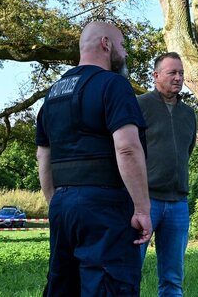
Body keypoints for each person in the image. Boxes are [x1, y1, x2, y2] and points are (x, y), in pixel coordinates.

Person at [36, 21, 152, 296]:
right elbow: (127, 148)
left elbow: (43, 155)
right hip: (105, 207)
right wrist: (142, 210)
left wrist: (56, 205)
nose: (125, 53)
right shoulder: (114, 85)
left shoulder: (53, 94)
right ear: (105, 44)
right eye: (122, 45)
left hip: (63, 205)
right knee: (110, 286)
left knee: (63, 286)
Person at [137, 52, 197, 297]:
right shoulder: (139, 105)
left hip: (178, 204)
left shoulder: (188, 114)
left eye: (181, 73)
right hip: (144, 202)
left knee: (173, 279)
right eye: (172, 72)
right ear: (156, 75)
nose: (178, 78)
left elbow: (187, 151)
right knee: (129, 271)